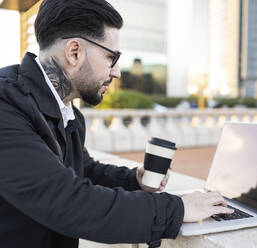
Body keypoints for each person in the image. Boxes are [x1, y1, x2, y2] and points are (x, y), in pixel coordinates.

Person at [0, 0, 233, 247]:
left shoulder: (67, 112)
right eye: (111, 57)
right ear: (74, 52)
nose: (117, 72)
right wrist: (178, 208)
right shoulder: (5, 105)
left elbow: (84, 169)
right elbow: (67, 201)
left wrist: (134, 180)